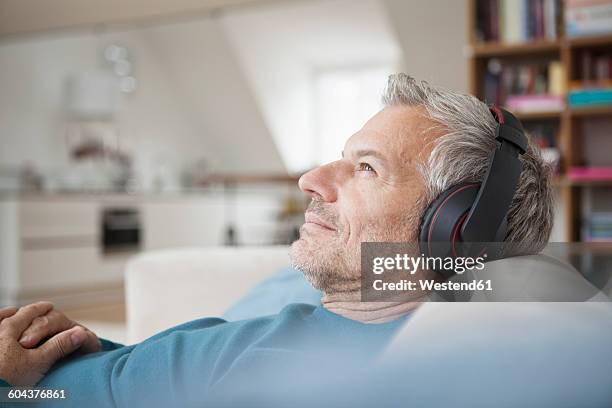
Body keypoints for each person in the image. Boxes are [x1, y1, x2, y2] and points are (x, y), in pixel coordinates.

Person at [0, 74, 553, 406]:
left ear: (451, 229)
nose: (311, 180)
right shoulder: (514, 351)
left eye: (365, 168)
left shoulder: (231, 365)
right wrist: (106, 355)